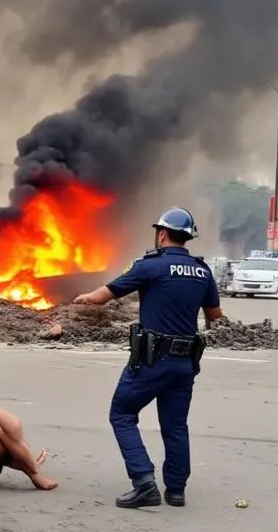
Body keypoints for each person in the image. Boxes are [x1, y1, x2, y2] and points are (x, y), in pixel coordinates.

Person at [73, 207, 223, 509]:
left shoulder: (150, 266)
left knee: (122, 414)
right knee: (176, 425)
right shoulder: (203, 272)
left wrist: (82, 299)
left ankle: (144, 481)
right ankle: (176, 491)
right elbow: (215, 317)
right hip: (185, 364)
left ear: (163, 234)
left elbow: (103, 296)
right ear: (188, 237)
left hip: (152, 361)